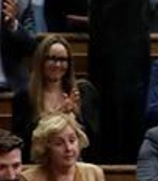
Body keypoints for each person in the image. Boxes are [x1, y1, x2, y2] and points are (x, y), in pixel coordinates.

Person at [11, 34, 100, 162]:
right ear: (41, 61)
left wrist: (76, 114)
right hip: (37, 166)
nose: (58, 65)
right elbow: (21, 142)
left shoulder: (83, 93)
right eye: (52, 59)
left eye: (63, 60)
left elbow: (93, 142)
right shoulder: (25, 97)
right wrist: (59, 114)